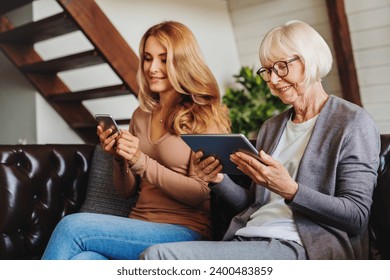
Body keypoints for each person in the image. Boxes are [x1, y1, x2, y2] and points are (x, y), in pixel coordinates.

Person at [140, 20, 380, 260]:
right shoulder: (272, 127)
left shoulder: (352, 122)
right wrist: (218, 179)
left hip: (301, 245)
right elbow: (253, 204)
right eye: (268, 70)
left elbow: (356, 216)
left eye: (282, 67)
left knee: (158, 257)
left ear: (310, 59)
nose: (273, 80)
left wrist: (290, 189)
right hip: (250, 236)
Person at [41, 21, 230, 260]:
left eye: (163, 59)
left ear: (182, 61)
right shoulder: (141, 115)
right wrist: (120, 159)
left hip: (186, 232)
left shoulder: (203, 116)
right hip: (136, 226)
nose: (152, 68)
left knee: (71, 227)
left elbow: (200, 194)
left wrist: (141, 161)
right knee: (82, 262)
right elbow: (126, 191)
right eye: (148, 58)